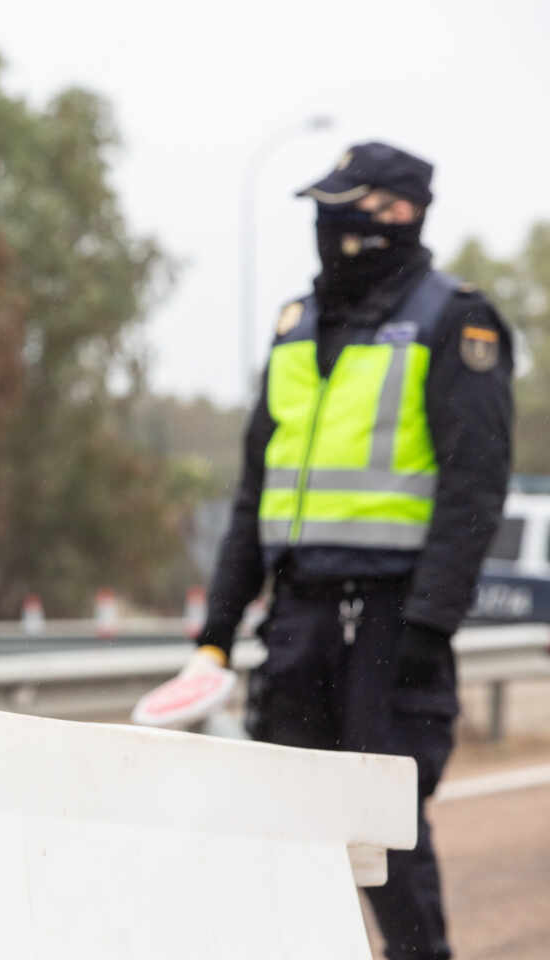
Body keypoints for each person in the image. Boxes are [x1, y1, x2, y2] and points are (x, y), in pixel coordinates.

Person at [194, 142, 512, 959]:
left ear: (401, 213)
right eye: (323, 211)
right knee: (287, 841)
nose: (329, 229)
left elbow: (474, 492)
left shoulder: (454, 319)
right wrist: (216, 633)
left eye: (350, 209)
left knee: (388, 849)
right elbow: (251, 495)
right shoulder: (296, 329)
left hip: (390, 624)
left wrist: (429, 625)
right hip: (298, 624)